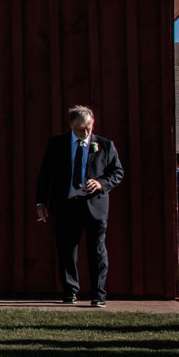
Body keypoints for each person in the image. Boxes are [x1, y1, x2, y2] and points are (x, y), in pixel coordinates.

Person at [34, 104, 123, 306]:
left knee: (97, 251)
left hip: (94, 205)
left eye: (90, 127)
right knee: (66, 250)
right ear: (71, 126)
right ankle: (69, 291)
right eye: (81, 129)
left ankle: (98, 294)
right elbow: (45, 175)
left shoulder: (105, 145)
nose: (87, 132)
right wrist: (41, 201)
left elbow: (117, 172)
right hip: (66, 204)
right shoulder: (57, 144)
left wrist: (101, 183)